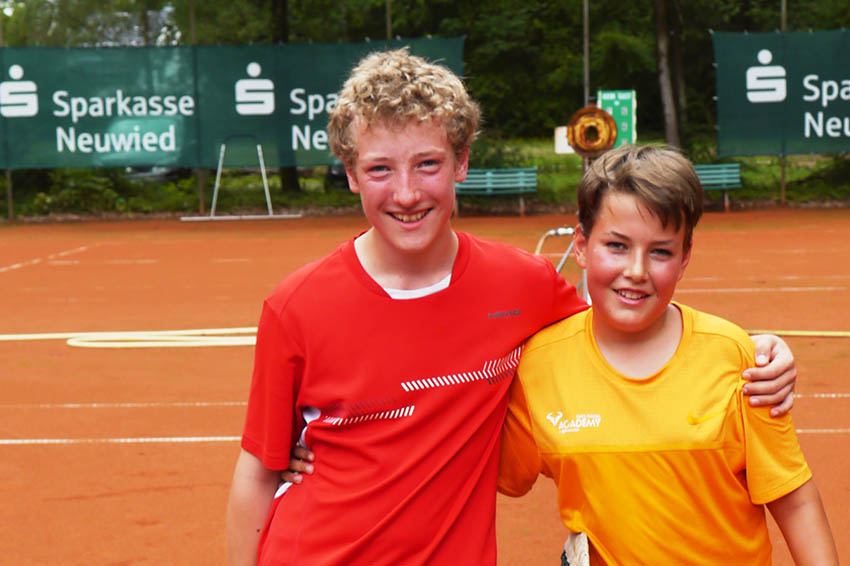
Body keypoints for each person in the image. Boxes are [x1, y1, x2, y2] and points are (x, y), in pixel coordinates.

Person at [226, 49, 798, 566]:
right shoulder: (295, 307)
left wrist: (760, 352)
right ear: (351, 175)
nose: (406, 193)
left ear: (462, 163)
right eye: (380, 169)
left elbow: (625, 323)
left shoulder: (524, 284)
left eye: (427, 164)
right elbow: (258, 470)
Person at [498, 144, 838, 565]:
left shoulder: (738, 360)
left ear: (684, 258)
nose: (637, 271)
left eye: (660, 251)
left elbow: (795, 502)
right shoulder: (539, 365)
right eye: (617, 246)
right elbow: (498, 476)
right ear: (582, 246)